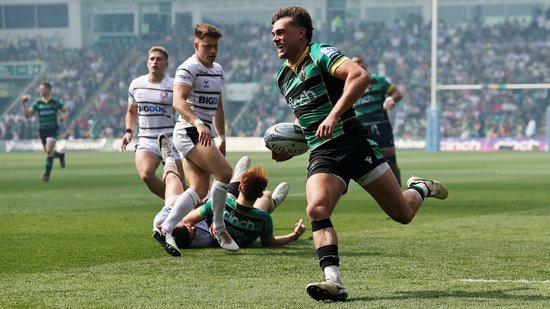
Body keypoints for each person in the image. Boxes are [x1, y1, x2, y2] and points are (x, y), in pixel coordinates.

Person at [270, 6, 448, 302]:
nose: (275, 38)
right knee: (316, 209)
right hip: (323, 154)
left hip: (354, 144)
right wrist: (289, 147)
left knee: (402, 214)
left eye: (281, 32)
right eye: (273, 33)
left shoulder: (320, 54)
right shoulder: (283, 78)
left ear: (300, 33)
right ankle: (333, 282)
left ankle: (420, 187)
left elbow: (359, 76)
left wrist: (335, 115)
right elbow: (305, 117)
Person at [153, 24, 238, 252]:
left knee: (200, 189)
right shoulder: (188, 68)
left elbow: (218, 105)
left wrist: (221, 135)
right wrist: (199, 123)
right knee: (226, 173)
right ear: (196, 45)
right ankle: (218, 228)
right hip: (189, 131)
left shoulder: (218, 70)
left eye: (215, 46)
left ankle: (166, 227)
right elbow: (178, 101)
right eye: (207, 46)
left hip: (205, 132)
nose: (212, 51)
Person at [153, 151, 304, 252]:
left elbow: (188, 220)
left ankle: (243, 180)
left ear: (240, 188)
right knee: (265, 198)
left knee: (229, 198)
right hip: (249, 215)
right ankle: (271, 200)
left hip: (228, 214)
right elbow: (269, 242)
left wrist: (203, 205)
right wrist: (295, 235)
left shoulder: (217, 205)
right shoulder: (264, 219)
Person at [120, 46, 184, 199]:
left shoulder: (174, 86)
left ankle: (186, 204)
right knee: (146, 175)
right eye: (152, 59)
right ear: (147, 62)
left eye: (159, 59)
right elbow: (131, 111)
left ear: (166, 64)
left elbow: (183, 110)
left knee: (179, 181)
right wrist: (129, 131)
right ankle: (178, 203)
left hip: (170, 139)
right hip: (147, 140)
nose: (155, 62)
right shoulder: (136, 84)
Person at [351, 55, 403, 185]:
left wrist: (391, 99)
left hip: (381, 125)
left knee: (390, 161)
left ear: (365, 64)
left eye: (359, 61)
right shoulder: (347, 83)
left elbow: (397, 93)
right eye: (354, 62)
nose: (357, 64)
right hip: (361, 127)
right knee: (361, 161)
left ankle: (399, 193)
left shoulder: (378, 80)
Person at [21, 82, 68, 182]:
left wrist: (64, 117)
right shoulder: (37, 103)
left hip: (52, 129)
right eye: (40, 89)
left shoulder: (55, 101)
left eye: (42, 89)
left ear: (48, 89)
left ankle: (46, 175)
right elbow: (27, 115)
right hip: (42, 130)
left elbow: (66, 111)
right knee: (48, 153)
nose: (40, 91)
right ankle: (60, 155)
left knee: (49, 152)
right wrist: (24, 104)